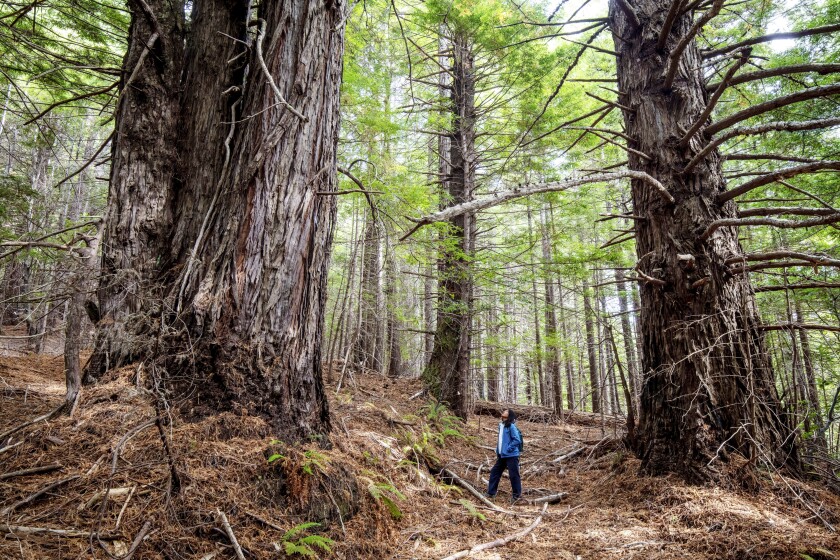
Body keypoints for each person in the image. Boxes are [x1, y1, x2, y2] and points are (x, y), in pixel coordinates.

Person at [485, 408, 522, 504]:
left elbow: (517, 440)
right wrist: (499, 451)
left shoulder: (511, 426)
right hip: (502, 455)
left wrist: (508, 449)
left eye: (506, 411)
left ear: (509, 415)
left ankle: (516, 496)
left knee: (514, 475)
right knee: (494, 472)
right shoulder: (501, 425)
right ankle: (491, 493)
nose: (503, 411)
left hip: (511, 455)